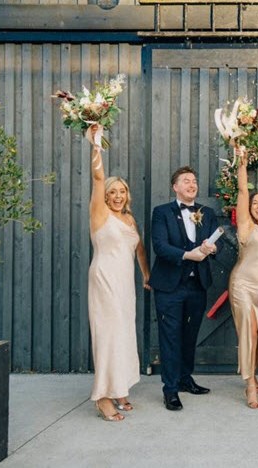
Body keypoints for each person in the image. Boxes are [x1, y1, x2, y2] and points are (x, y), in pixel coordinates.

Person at [86, 129, 150, 422]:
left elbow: (138, 250)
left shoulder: (129, 217)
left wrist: (146, 275)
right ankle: (102, 397)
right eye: (112, 192)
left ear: (127, 195)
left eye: (121, 191)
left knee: (124, 333)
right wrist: (96, 145)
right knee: (108, 335)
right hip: (104, 280)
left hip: (126, 284)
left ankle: (120, 388)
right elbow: (98, 178)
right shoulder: (99, 212)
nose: (116, 195)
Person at [149, 165, 219, 411]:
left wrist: (211, 248)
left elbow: (211, 241)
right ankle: (170, 390)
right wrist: (188, 254)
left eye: (194, 181)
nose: (192, 184)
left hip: (197, 285)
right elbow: (160, 246)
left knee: (190, 337)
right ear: (175, 187)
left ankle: (185, 378)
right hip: (170, 287)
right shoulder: (162, 213)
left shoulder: (207, 213)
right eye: (186, 181)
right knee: (170, 338)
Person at [229, 147, 258, 409]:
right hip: (243, 286)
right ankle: (249, 386)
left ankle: (254, 375)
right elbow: (242, 191)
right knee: (249, 333)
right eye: (255, 203)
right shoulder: (245, 226)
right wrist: (242, 163)